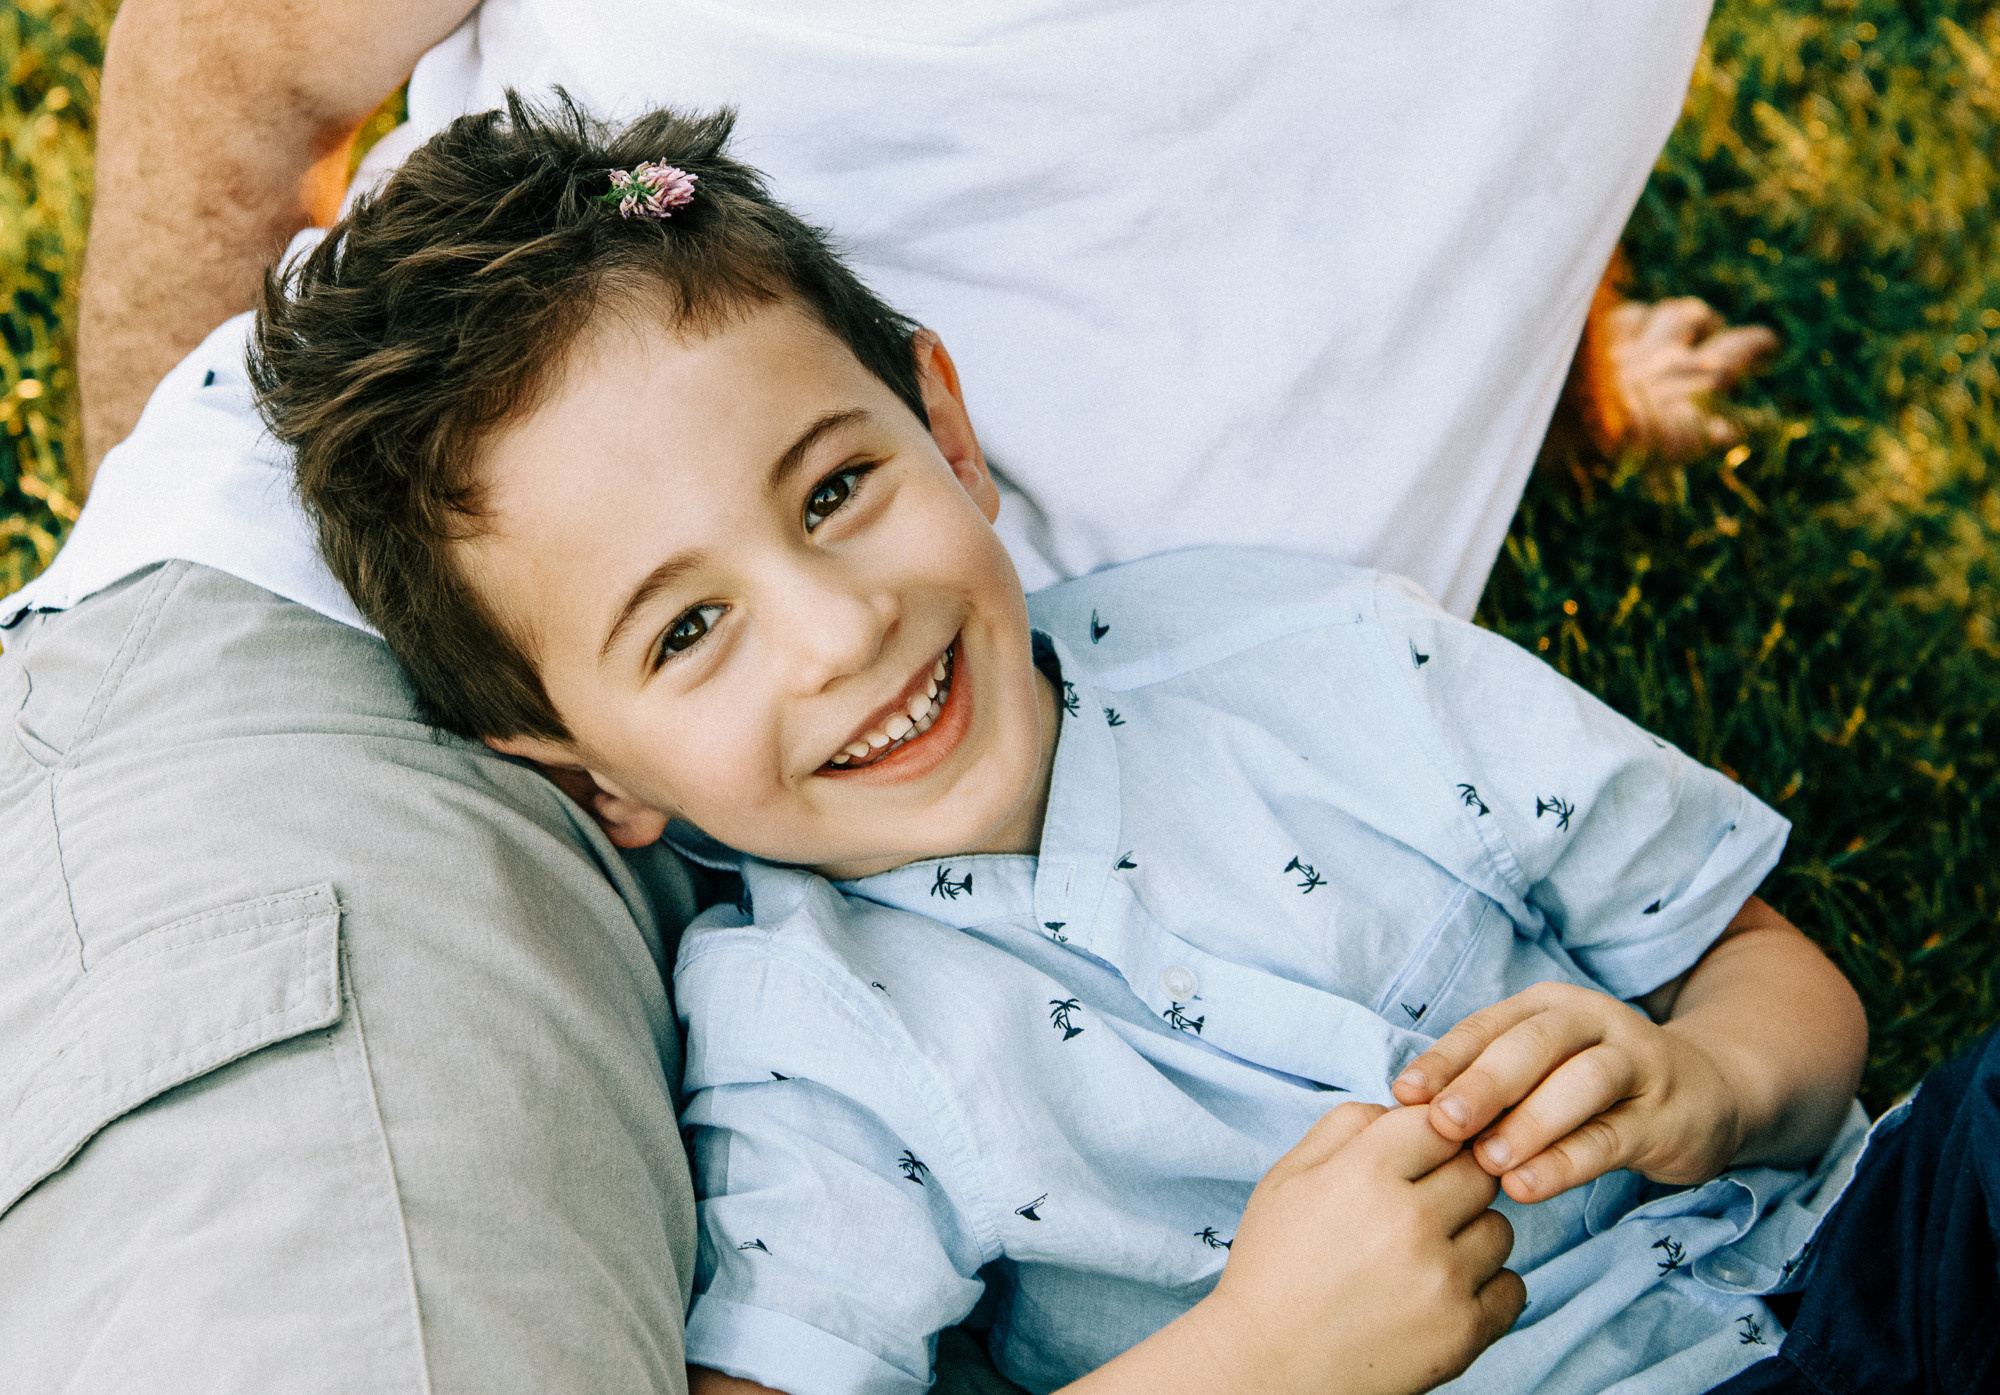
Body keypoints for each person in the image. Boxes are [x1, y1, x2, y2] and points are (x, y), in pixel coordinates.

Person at [1, 0, 1775, 1389]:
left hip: (1134, 697)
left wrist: (1553, 364)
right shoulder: (812, 1041)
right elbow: (241, 54)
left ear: (939, 421)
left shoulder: (1315, 661)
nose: (832, 636)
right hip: (395, 636)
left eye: (840, 495)